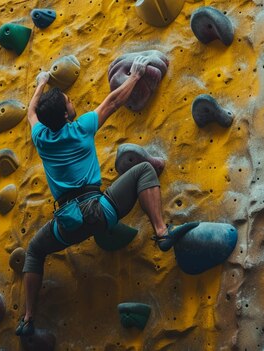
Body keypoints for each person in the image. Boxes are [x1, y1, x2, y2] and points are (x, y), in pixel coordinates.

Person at [16, 56, 199, 336]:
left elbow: (31, 112)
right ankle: (162, 232)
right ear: (66, 114)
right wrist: (135, 76)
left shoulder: (41, 137)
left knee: (35, 251)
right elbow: (113, 102)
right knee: (144, 171)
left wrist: (40, 83)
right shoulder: (81, 129)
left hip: (68, 224)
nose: (72, 103)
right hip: (99, 211)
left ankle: (28, 320)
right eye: (69, 101)